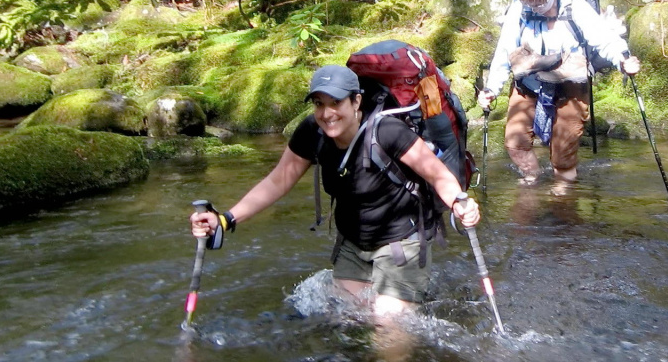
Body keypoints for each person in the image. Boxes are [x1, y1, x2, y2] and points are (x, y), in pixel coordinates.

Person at [190, 64, 480, 318]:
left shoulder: (387, 132)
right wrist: (226, 219)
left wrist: (459, 203)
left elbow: (437, 174)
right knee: (346, 320)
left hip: (401, 242)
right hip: (353, 244)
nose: (326, 114)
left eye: (335, 103)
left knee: (388, 328)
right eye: (318, 104)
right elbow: (279, 180)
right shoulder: (312, 132)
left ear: (356, 102)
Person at [477, 0, 641, 184]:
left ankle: (563, 194)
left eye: (540, 4)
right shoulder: (520, 8)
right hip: (529, 81)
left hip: (570, 84)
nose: (535, 10)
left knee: (563, 152)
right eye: (530, 5)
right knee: (515, 142)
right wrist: (491, 89)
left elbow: (605, 39)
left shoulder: (576, 7)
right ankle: (532, 179)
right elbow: (504, 51)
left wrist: (624, 60)